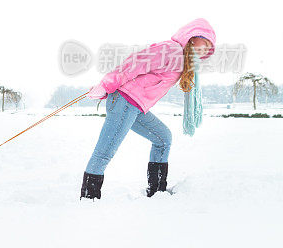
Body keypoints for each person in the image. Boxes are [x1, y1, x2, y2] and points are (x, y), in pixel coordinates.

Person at [81, 18, 216, 200]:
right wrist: (107, 84)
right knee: (105, 151)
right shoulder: (171, 49)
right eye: (205, 42)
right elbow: (135, 62)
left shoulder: (183, 60)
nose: (206, 48)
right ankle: (89, 198)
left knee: (163, 138)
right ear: (192, 37)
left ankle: (157, 190)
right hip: (124, 100)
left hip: (136, 107)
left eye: (210, 48)